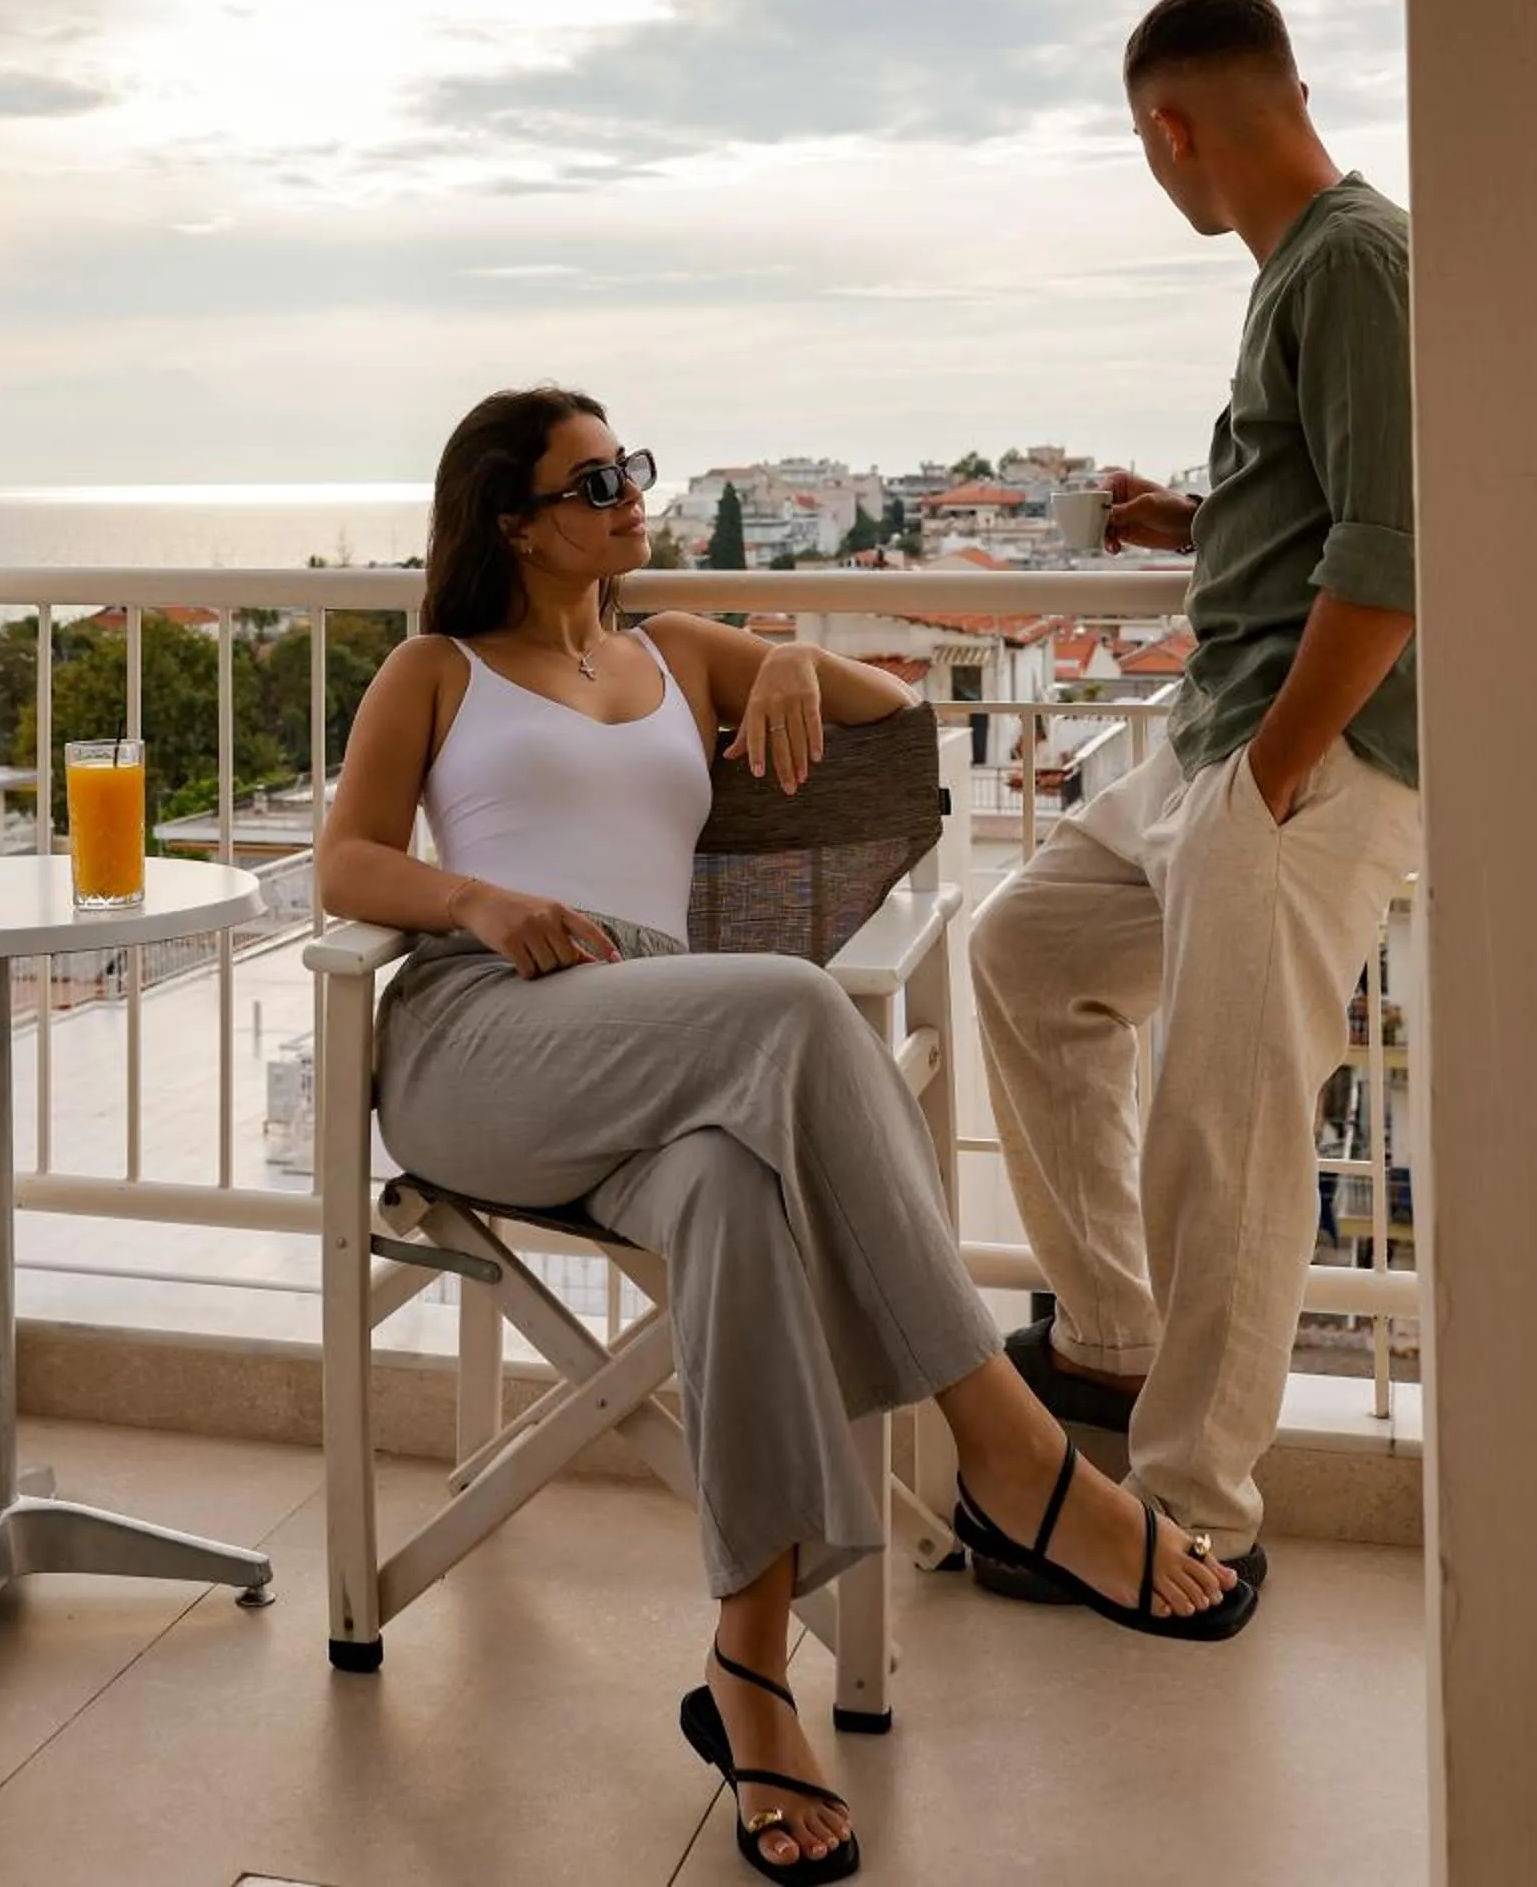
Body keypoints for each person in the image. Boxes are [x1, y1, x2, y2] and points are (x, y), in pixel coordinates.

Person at [319, 386, 1249, 1883]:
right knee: (799, 1011)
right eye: (593, 478)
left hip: (659, 1037)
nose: (631, 494)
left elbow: (895, 731)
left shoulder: (676, 653)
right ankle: (1011, 1457)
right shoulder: (436, 670)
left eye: (634, 466)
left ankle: (748, 1674)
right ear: (512, 520)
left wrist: (801, 662)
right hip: (479, 1029)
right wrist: (477, 898)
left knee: (737, 1196)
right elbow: (344, 858)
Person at [970, 0, 1419, 1606]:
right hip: (1215, 742)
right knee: (1025, 957)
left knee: (1225, 1137)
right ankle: (1110, 1336)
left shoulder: (1358, 262)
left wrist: (1283, 773)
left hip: (1300, 759)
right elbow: (1314, 502)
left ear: (1170, 126)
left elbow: (1393, 551)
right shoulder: (1301, 265)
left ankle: (1193, 1522)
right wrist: (1195, 517)